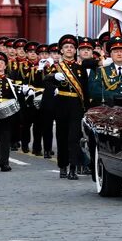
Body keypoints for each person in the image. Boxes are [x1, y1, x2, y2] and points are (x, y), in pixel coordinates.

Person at [47, 34, 88, 180]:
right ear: (61, 51)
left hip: (76, 105)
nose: (69, 49)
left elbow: (85, 88)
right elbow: (45, 80)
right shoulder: (56, 67)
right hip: (61, 104)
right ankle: (62, 166)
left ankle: (73, 168)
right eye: (66, 47)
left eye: (71, 47)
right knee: (62, 136)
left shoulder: (80, 68)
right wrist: (53, 77)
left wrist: (86, 108)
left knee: (74, 137)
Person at [88, 36, 122, 106]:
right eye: (115, 52)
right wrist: (113, 97)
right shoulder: (102, 71)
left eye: (121, 51)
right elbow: (95, 91)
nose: (119, 54)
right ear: (111, 54)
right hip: (109, 109)